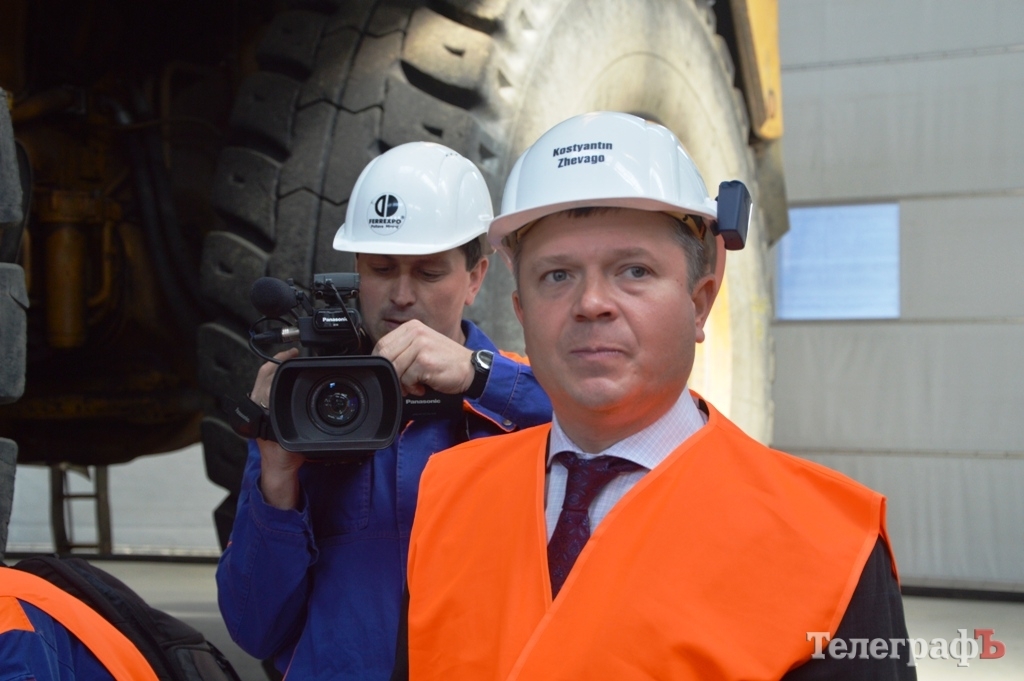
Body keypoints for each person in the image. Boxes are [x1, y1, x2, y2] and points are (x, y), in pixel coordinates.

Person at [400, 113, 914, 680]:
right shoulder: (448, 495)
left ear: (700, 303)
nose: (591, 303)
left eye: (634, 271)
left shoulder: (828, 545)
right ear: (521, 312)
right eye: (557, 276)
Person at [216, 142, 552, 680]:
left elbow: (617, 425)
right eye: (380, 268)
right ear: (356, 271)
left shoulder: (518, 398)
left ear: (475, 278)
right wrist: (276, 479)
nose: (400, 294)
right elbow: (254, 629)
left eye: (429, 273)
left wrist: (481, 377)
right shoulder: (306, 410)